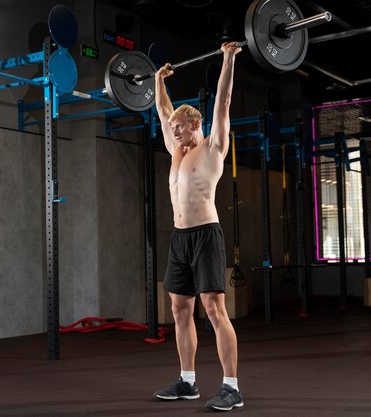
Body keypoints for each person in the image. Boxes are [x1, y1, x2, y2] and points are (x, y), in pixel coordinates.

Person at [152, 42, 243, 412]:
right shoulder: (176, 151)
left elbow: (222, 103)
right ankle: (187, 381)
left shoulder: (211, 149)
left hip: (206, 234)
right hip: (180, 238)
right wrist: (159, 80)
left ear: (194, 124)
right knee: (178, 310)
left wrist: (227, 59)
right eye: (172, 127)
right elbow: (161, 109)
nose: (172, 131)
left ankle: (232, 387)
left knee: (214, 309)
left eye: (179, 126)